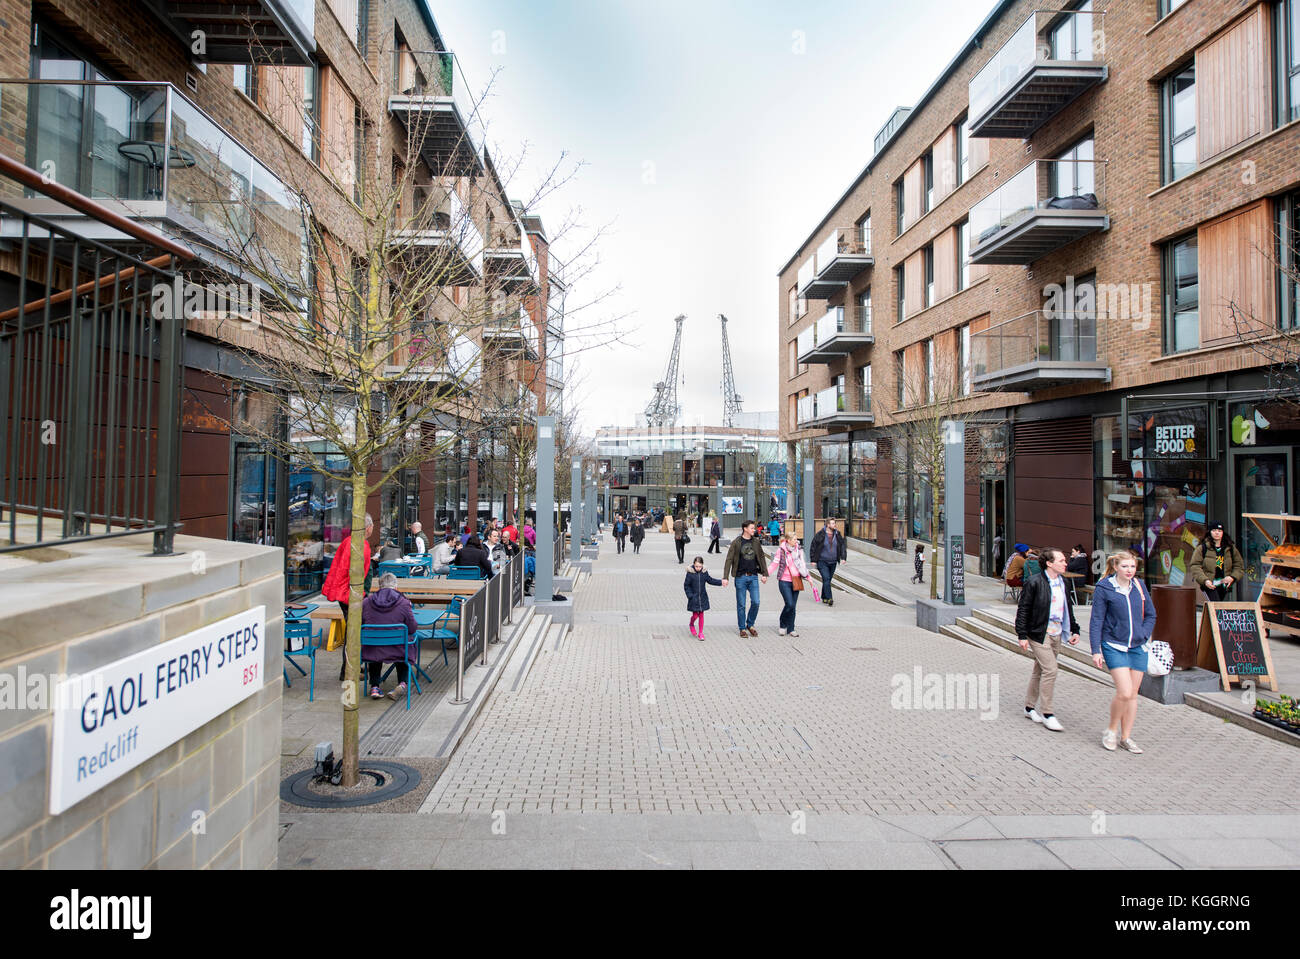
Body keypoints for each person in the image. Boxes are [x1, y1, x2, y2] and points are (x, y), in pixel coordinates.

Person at [1089, 550, 1156, 754]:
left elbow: (1151, 615)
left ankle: (1126, 737)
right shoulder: (1104, 588)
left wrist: (1144, 634)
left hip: (1137, 647)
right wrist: (1095, 649)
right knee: (1124, 692)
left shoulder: (1139, 586)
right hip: (1114, 645)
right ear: (1116, 567)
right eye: (1125, 566)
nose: (1129, 570)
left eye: (1133, 567)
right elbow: (1097, 619)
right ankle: (1111, 730)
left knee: (1133, 695)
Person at [1015, 547, 1081, 733]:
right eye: (1061, 560)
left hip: (1057, 632)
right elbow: (1024, 609)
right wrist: (1021, 634)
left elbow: (1068, 609)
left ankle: (1029, 707)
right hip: (1038, 633)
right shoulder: (1035, 582)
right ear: (1049, 563)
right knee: (1051, 670)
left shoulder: (1064, 583)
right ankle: (1047, 713)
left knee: (1039, 670)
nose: (1065, 563)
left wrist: (1074, 629)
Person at [321, 513, 374, 682]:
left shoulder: (348, 541)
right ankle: (349, 671)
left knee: (353, 632)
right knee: (354, 634)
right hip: (349, 595)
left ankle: (351, 669)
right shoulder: (360, 545)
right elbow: (359, 574)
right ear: (368, 528)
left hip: (343, 592)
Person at [361, 572, 419, 700]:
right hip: (398, 649)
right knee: (405, 642)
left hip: (373, 649)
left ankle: (375, 686)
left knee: (375, 643)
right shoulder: (404, 602)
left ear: (379, 586)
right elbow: (412, 627)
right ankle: (402, 683)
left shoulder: (366, 602)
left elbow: (362, 623)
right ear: (396, 587)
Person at [722, 520, 769, 637]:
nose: (754, 530)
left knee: (756, 602)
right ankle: (742, 628)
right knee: (741, 604)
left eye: (754, 528)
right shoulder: (736, 542)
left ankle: (750, 624)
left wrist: (764, 573)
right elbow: (729, 559)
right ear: (745, 529)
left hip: (753, 577)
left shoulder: (756, 542)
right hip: (740, 577)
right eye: (752, 528)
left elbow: (762, 557)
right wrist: (725, 577)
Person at [1191, 522, 1244, 602]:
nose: (1217, 533)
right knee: (1215, 605)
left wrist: (1232, 577)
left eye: (1219, 531)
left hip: (1223, 585)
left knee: (1216, 607)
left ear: (1223, 533)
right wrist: (1205, 580)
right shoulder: (1203, 548)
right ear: (1210, 532)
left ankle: (1209, 614)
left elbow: (1239, 566)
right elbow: (1195, 566)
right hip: (1209, 584)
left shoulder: (1230, 548)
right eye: (1214, 530)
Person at [773, 531, 811, 637]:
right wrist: (766, 574)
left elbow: (803, 566)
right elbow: (774, 564)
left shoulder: (799, 551)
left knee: (793, 606)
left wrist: (808, 577)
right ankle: (782, 623)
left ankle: (791, 628)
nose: (796, 541)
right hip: (784, 581)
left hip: (796, 580)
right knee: (789, 604)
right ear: (788, 541)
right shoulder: (781, 551)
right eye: (794, 539)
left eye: (796, 539)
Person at [683, 556, 723, 641]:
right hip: (693, 598)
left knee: (701, 614)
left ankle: (701, 633)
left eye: (700, 566)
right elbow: (686, 585)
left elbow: (710, 580)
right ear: (694, 565)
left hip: (702, 597)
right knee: (695, 615)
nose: (698, 568)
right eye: (697, 566)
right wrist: (690, 595)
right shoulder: (690, 573)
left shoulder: (704, 572)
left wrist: (721, 582)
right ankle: (691, 624)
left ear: (702, 565)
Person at [810, 518, 847, 606]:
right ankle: (830, 598)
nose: (835, 525)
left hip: (833, 562)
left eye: (835, 523)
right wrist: (813, 560)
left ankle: (824, 596)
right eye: (833, 523)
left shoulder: (837, 534)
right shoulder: (820, 534)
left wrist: (843, 557)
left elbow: (842, 546)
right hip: (822, 561)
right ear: (828, 525)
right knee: (826, 579)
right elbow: (813, 547)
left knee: (827, 580)